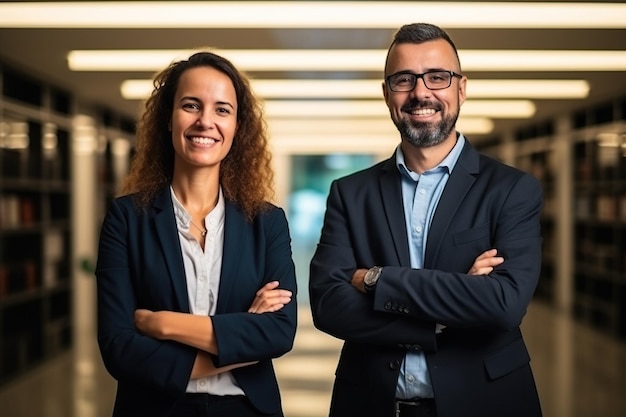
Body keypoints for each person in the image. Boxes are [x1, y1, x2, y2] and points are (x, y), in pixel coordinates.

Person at [309, 23, 543, 417]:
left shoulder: (511, 190)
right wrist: (449, 307)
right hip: (370, 402)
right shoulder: (351, 194)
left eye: (438, 77)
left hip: (486, 402)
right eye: (404, 79)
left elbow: (503, 305)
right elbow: (329, 304)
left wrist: (376, 280)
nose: (421, 92)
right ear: (387, 94)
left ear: (461, 88)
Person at [95, 51, 297, 417]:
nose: (206, 121)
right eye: (191, 105)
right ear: (168, 120)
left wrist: (161, 323)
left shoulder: (267, 223)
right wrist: (244, 336)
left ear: (238, 127)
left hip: (246, 409)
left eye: (222, 109)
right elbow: (119, 348)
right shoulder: (126, 218)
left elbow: (279, 333)